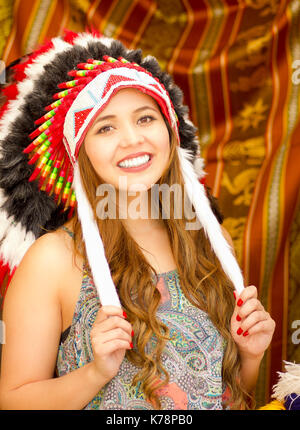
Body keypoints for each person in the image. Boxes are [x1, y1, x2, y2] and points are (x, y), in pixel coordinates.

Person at [0, 30, 275, 410]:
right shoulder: (53, 261)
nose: (132, 139)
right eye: (106, 127)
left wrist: (251, 356)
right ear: (81, 154)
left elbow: (224, 392)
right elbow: (15, 402)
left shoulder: (211, 242)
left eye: (145, 118)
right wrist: (95, 372)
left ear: (169, 132)